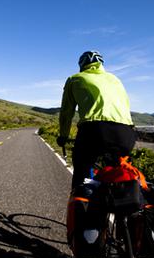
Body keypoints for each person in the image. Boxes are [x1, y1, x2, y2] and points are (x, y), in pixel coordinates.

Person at [57, 51, 136, 189]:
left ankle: (81, 206)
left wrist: (63, 136)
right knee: (119, 175)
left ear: (82, 65)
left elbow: (66, 113)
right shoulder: (115, 79)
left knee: (81, 173)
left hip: (94, 131)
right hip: (127, 133)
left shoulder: (75, 78)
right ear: (101, 64)